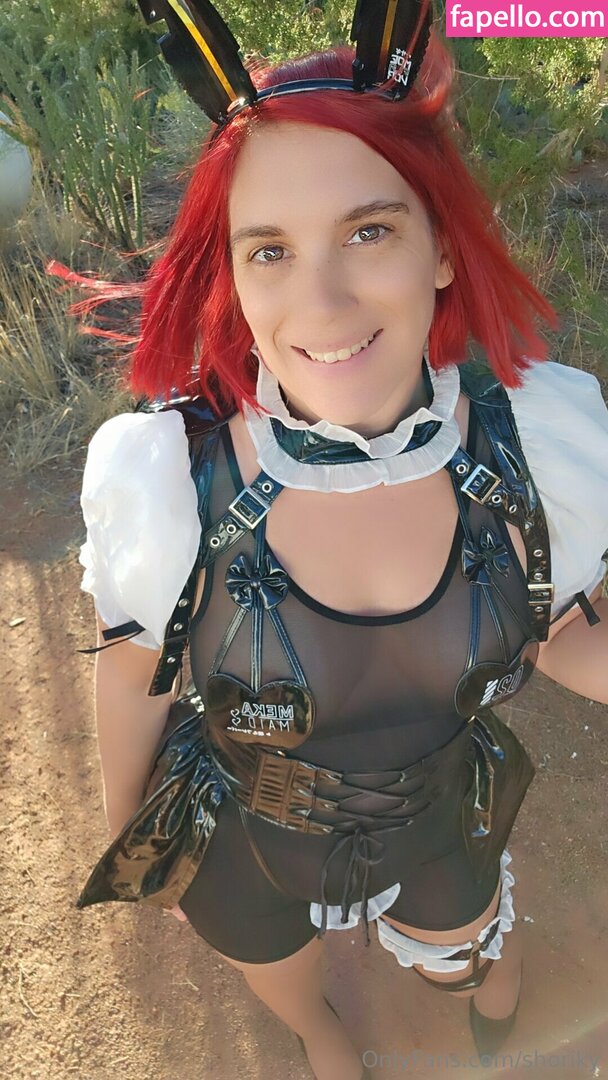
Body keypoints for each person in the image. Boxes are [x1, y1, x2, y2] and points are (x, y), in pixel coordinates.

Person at [73, 6, 608, 1079]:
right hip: (243, 834)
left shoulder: (531, 449)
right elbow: (135, 674)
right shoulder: (172, 482)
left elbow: (556, 628)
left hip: (440, 819)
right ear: (233, 277)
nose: (319, 301)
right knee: (275, 966)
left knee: (471, 958)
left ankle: (484, 994)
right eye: (269, 250)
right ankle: (322, 1035)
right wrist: (134, 830)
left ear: (441, 248)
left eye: (368, 231)